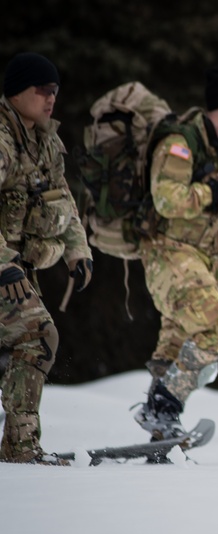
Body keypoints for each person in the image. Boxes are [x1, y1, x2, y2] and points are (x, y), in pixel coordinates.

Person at [133, 63, 218, 440]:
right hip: (169, 254)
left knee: (174, 346)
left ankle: (161, 426)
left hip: (198, 259)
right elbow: (167, 199)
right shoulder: (181, 142)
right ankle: (162, 406)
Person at [0, 53, 93, 464]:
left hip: (18, 268)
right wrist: (3, 262)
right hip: (4, 268)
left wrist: (78, 250)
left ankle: (19, 446)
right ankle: (20, 449)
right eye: (42, 90)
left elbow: (63, 198)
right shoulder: (2, 139)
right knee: (37, 336)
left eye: (55, 90)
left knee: (33, 340)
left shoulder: (46, 141)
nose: (50, 98)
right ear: (16, 92)